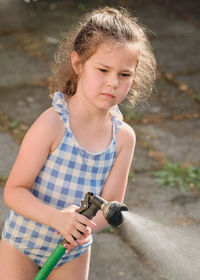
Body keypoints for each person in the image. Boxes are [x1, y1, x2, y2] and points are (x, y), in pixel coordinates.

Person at [0, 6, 156, 280]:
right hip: (22, 245)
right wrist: (58, 219)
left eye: (124, 74)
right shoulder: (53, 124)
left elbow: (111, 207)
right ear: (78, 63)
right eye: (103, 69)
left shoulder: (122, 138)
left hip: (72, 254)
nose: (113, 83)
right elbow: (14, 191)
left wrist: (86, 228)